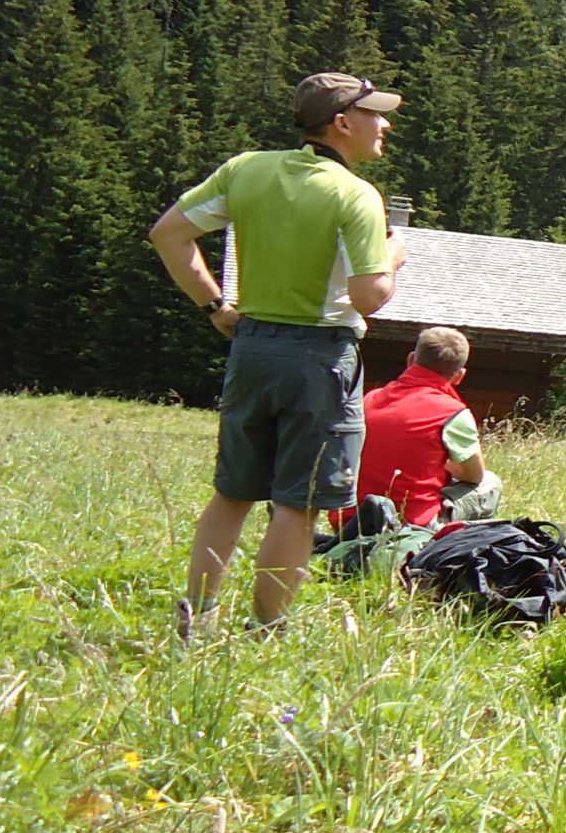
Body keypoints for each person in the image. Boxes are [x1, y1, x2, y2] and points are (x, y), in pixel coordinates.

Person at [147, 72, 407, 638]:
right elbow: (370, 296)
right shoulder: (357, 195)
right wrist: (394, 255)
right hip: (320, 358)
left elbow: (168, 234)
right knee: (299, 503)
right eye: (374, 115)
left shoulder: (247, 169)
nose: (384, 125)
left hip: (252, 347)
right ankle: (268, 630)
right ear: (342, 123)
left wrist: (217, 306)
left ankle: (196, 619)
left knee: (233, 491)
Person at [356, 327, 499, 527]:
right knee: (491, 483)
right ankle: (445, 536)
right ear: (459, 376)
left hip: (354, 518)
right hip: (412, 522)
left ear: (411, 359)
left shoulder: (370, 398)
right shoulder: (453, 412)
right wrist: (441, 462)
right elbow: (474, 475)